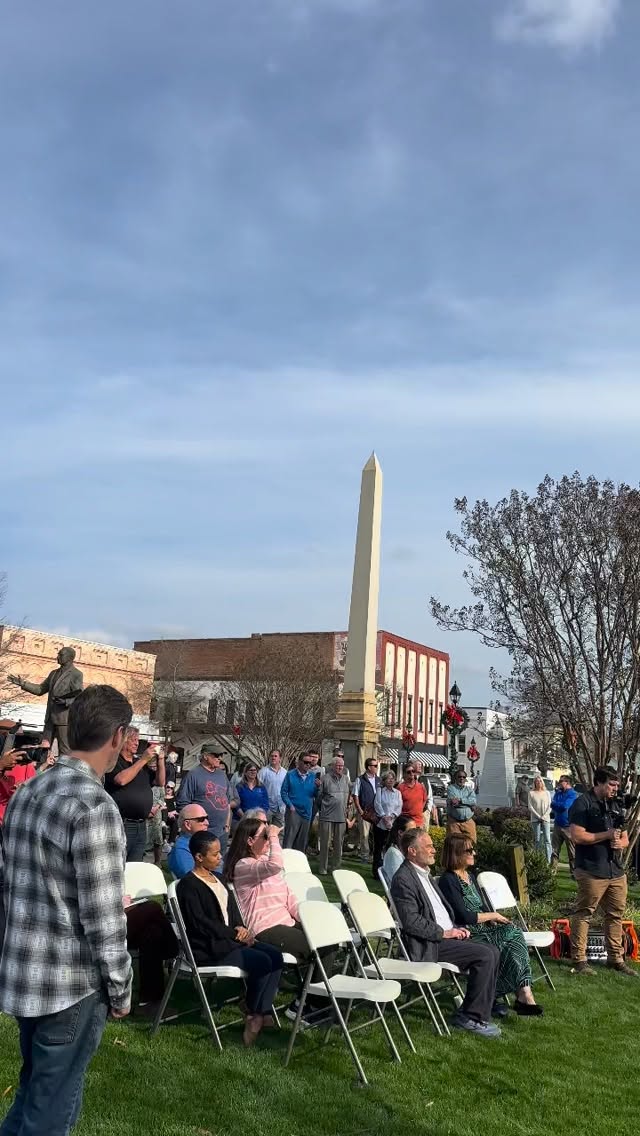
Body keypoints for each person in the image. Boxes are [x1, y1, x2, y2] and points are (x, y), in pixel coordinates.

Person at [0, 684, 133, 1136]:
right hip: (69, 986)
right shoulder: (95, 806)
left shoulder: (28, 792)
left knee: (34, 1095)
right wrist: (120, 987)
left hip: (23, 974)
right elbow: (104, 918)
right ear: (117, 737)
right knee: (48, 1112)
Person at [390, 828, 501, 1038]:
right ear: (412, 851)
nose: (433, 850)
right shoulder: (404, 879)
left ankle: (477, 1011)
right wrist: (444, 933)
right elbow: (411, 921)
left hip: (447, 934)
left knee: (493, 950)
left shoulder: (425, 875)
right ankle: (470, 1017)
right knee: (485, 955)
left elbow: (440, 911)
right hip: (429, 943)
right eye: (428, 846)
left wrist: (456, 928)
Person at [177, 831, 284, 1045]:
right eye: (215, 854)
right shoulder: (188, 886)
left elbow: (233, 910)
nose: (220, 858)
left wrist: (242, 929)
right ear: (199, 857)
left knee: (275, 956)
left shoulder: (218, 878)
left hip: (231, 940)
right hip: (209, 947)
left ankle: (257, 1012)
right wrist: (235, 934)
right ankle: (255, 1015)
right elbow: (201, 923)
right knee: (262, 962)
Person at [438, 835, 543, 1016]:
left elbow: (481, 907)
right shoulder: (449, 880)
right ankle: (519, 994)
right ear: (456, 853)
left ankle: (520, 993)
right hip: (469, 933)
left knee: (513, 938)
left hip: (484, 928)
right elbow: (463, 915)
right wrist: (492, 915)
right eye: (469, 851)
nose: (474, 853)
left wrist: (491, 918)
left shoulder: (469, 876)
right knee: (512, 935)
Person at [569, 767, 638, 977]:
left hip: (615, 870)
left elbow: (625, 837)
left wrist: (620, 843)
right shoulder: (583, 803)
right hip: (591, 869)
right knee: (584, 914)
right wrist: (606, 835)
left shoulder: (616, 804)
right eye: (611, 784)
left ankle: (616, 959)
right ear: (598, 783)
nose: (615, 789)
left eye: (617, 785)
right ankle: (579, 960)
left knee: (615, 915)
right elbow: (577, 836)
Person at [8, 647, 83, 756]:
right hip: (49, 718)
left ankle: (63, 772)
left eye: (60, 655)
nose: (57, 657)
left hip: (64, 719)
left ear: (70, 657)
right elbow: (40, 689)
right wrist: (23, 684)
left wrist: (66, 701)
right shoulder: (53, 673)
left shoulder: (76, 674)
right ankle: (42, 770)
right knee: (43, 749)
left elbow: (79, 697)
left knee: (65, 751)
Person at [104, 727, 165, 862]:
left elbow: (160, 782)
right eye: (133, 740)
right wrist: (143, 759)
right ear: (123, 741)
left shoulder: (139, 764)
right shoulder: (114, 761)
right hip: (123, 824)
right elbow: (121, 780)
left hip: (141, 825)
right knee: (118, 864)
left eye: (138, 740)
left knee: (135, 867)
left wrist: (161, 760)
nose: (137, 743)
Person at [125, 899, 178, 1015]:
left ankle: (149, 1003)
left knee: (152, 933)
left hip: (119, 914)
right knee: (153, 907)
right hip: (103, 922)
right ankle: (176, 950)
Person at [176, 745, 232, 853]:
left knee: (219, 865)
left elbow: (228, 801)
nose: (220, 758)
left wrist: (227, 824)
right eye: (216, 755)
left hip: (221, 832)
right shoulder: (193, 775)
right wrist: (194, 828)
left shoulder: (222, 775)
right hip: (202, 833)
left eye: (221, 755)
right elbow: (183, 804)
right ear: (205, 756)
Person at [317, 755, 351, 875]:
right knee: (325, 843)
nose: (340, 768)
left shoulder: (346, 779)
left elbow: (350, 796)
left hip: (341, 816)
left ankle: (336, 868)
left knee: (338, 844)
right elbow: (319, 796)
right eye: (337, 765)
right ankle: (323, 868)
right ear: (332, 766)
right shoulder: (325, 778)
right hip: (327, 815)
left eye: (341, 766)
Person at [281, 752, 320, 851]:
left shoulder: (313, 776)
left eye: (310, 763)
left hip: (307, 812)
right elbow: (283, 792)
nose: (308, 765)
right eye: (306, 762)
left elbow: (316, 795)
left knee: (302, 842)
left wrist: (319, 788)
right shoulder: (290, 774)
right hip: (293, 811)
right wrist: (290, 805)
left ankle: (298, 864)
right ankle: (285, 864)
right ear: (299, 762)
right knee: (289, 840)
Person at [372, 771, 402, 879]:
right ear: (384, 781)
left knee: (389, 848)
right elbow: (377, 804)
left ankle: (388, 871)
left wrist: (392, 816)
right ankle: (376, 872)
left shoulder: (397, 793)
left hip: (393, 824)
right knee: (378, 848)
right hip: (381, 823)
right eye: (388, 778)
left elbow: (399, 806)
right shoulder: (380, 791)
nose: (391, 780)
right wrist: (384, 816)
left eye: (392, 778)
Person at [167, 805, 210, 879]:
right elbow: (193, 879)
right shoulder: (181, 849)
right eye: (201, 819)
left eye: (207, 818)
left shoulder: (203, 842)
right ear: (187, 824)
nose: (207, 823)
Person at [352, 756, 380, 862]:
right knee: (364, 834)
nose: (377, 767)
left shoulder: (379, 780)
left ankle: (374, 855)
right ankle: (364, 855)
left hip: (377, 812)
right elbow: (355, 795)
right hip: (365, 811)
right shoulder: (360, 779)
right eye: (375, 766)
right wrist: (360, 810)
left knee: (375, 834)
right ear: (369, 767)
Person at [0, 748, 37, 823]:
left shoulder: (27, 766)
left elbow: (34, 797)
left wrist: (23, 792)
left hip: (14, 823)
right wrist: (1, 765)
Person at [550, 775, 578, 875]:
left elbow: (565, 806)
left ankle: (574, 872)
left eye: (561, 781)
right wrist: (557, 805)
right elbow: (552, 804)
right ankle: (553, 870)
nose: (559, 783)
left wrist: (557, 805)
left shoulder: (572, 794)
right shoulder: (558, 793)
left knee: (572, 852)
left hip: (568, 826)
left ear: (567, 783)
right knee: (554, 850)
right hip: (557, 824)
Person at [446, 768, 477, 843]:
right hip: (454, 821)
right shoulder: (451, 788)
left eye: (463, 777)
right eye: (459, 777)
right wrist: (469, 805)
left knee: (471, 843)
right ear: (456, 778)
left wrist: (460, 801)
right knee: (453, 845)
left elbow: (474, 801)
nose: (461, 779)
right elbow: (453, 802)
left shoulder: (469, 789)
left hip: (468, 821)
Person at [381, 815, 416, 882]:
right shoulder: (393, 853)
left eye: (415, 830)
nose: (415, 834)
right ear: (400, 833)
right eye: (411, 831)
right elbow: (399, 881)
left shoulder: (404, 851)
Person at [258, 749, 287, 827]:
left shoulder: (285, 773)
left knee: (278, 832)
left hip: (280, 808)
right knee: (262, 830)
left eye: (275, 756)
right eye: (271, 756)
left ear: (280, 758)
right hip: (267, 807)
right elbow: (257, 788)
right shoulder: (263, 772)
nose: (273, 758)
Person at [528, 775, 552, 862]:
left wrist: (544, 816)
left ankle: (549, 860)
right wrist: (538, 816)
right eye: (537, 781)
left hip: (546, 819)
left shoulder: (547, 793)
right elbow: (530, 807)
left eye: (540, 781)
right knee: (537, 840)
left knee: (547, 840)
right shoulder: (531, 793)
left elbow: (550, 806)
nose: (539, 783)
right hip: (535, 819)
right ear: (534, 783)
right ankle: (536, 859)